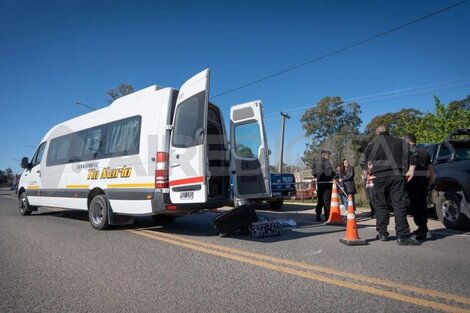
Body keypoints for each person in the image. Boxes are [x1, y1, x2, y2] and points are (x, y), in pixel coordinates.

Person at [359, 125, 421, 246]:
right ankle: (402, 236)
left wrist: (367, 173)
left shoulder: (372, 144)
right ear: (389, 132)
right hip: (397, 176)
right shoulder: (400, 142)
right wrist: (412, 170)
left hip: (378, 177)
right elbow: (414, 153)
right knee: (399, 204)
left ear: (377, 134)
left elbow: (362, 160)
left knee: (381, 205)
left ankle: (382, 233)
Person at [404, 134, 435, 241]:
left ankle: (423, 229)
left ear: (407, 142)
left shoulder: (407, 152)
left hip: (412, 181)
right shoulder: (425, 152)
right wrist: (432, 181)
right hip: (424, 181)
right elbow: (430, 168)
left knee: (415, 206)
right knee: (422, 204)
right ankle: (422, 227)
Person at [313, 150, 334, 221]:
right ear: (324, 155)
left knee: (320, 200)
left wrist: (318, 176)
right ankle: (327, 216)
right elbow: (329, 173)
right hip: (326, 183)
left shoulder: (316, 162)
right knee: (327, 200)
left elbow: (313, 173)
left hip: (319, 183)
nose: (328, 156)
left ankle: (318, 215)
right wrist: (334, 175)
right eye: (328, 155)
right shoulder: (327, 162)